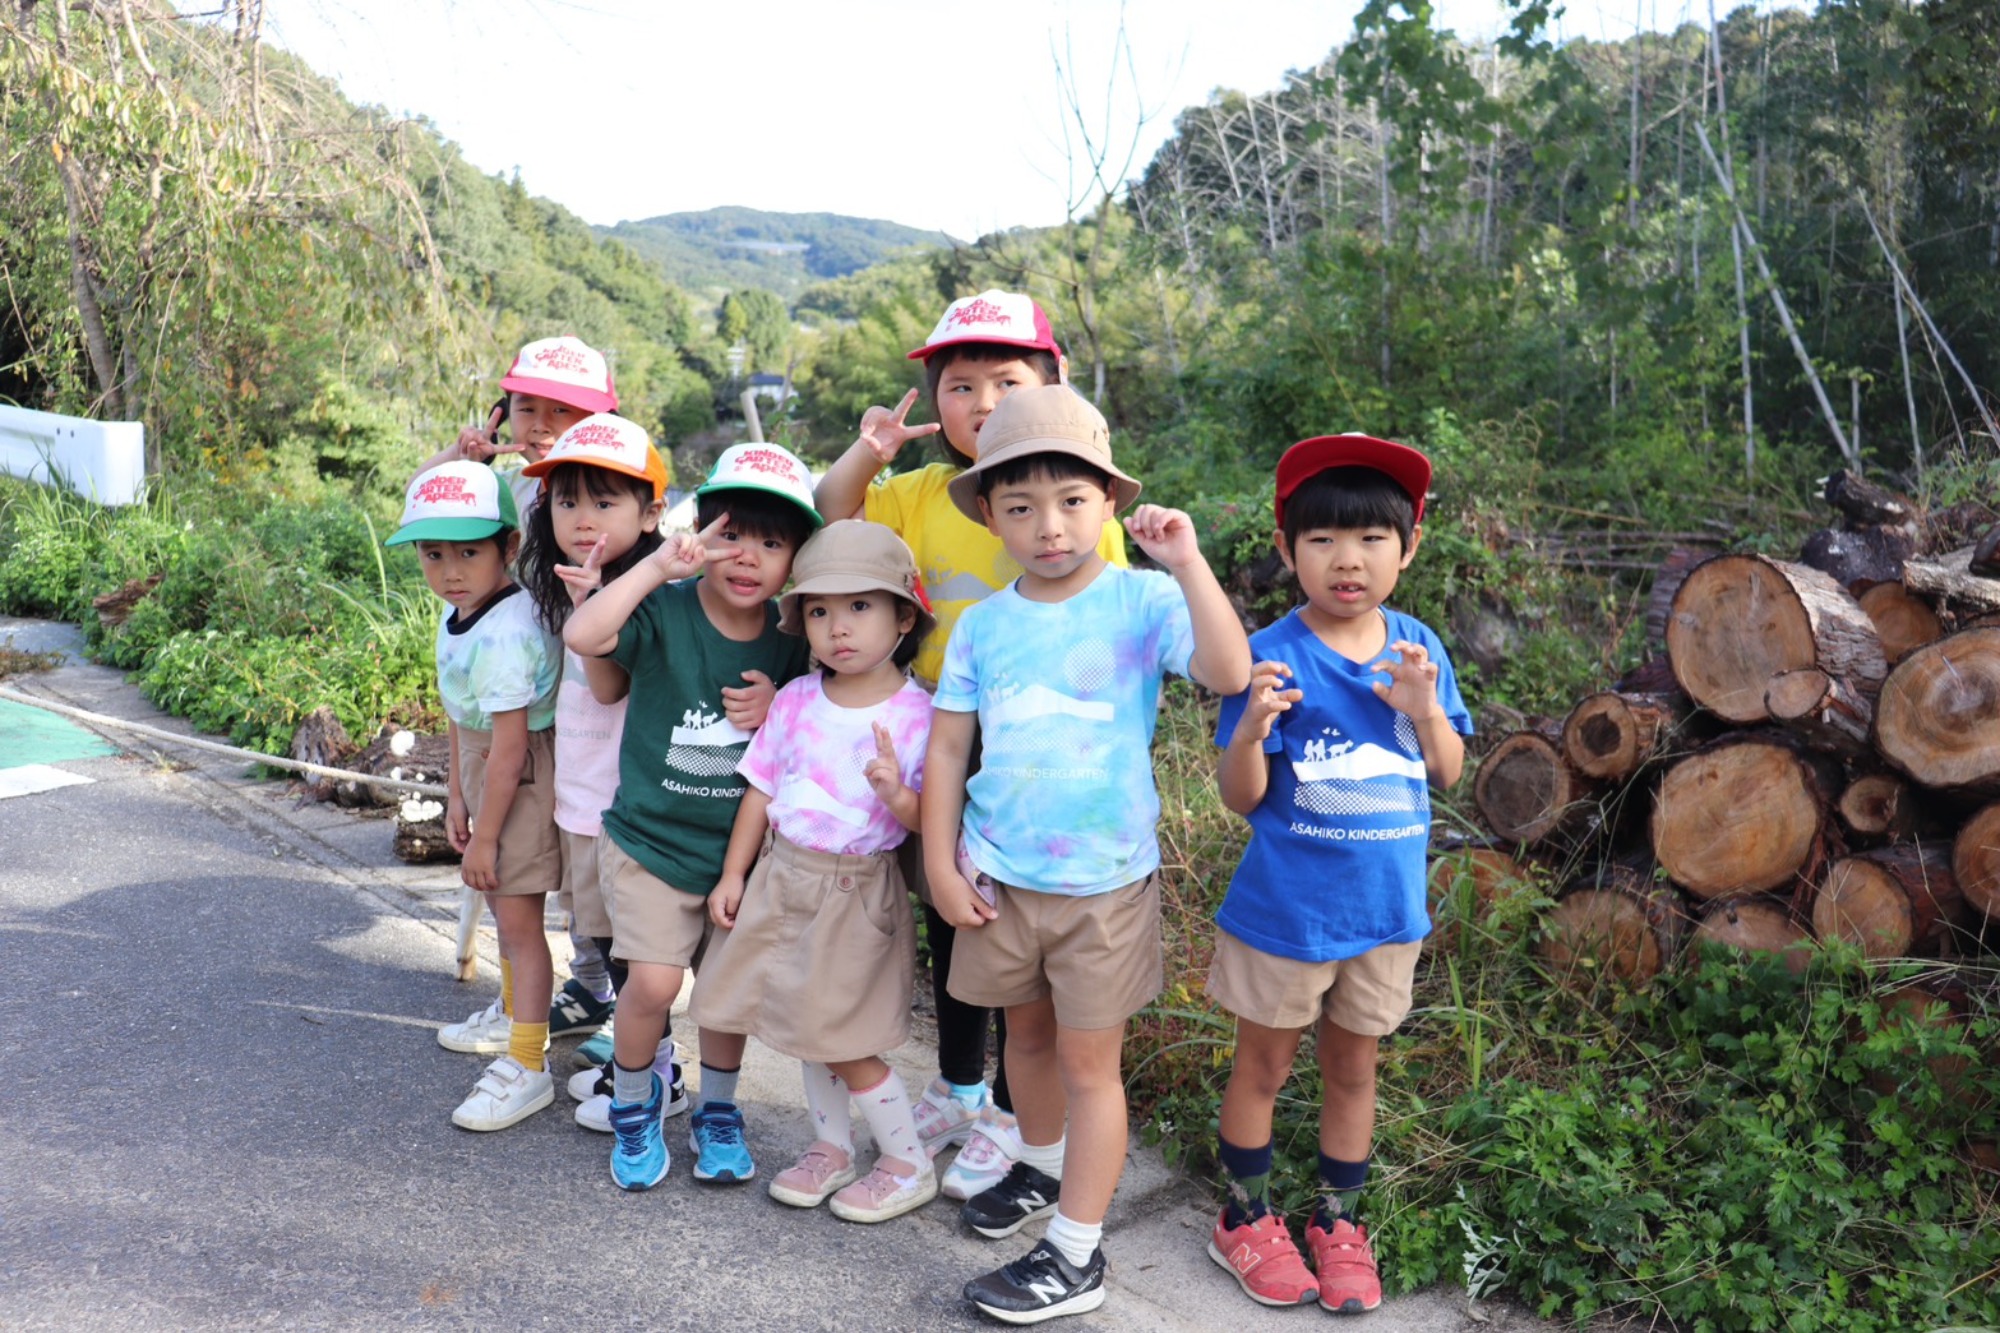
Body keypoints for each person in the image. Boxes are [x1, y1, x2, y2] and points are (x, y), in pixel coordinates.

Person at [921, 384, 1252, 1322]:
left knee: (1088, 1064)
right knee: (1022, 1038)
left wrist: (1187, 561)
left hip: (1102, 883)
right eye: (1021, 506)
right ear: (989, 515)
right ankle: (1042, 1165)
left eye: (1071, 501)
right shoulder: (984, 623)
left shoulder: (1142, 599)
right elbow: (948, 748)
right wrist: (940, 863)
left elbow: (1228, 671)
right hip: (998, 874)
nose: (1050, 526)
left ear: (1107, 501)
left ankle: (1076, 1253)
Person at [812, 290, 1130, 1202]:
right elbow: (834, 511)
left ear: (1052, 386)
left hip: (1037, 751)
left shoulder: (1078, 510)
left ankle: (1014, 1111)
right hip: (938, 737)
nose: (983, 402)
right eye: (960, 385)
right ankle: (958, 1088)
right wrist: (871, 451)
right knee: (950, 920)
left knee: (1018, 933)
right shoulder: (918, 494)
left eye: (1007, 381)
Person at [1203, 435, 1470, 1314]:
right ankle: (1244, 1215)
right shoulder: (1270, 654)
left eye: (1370, 539)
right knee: (1264, 1065)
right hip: (1286, 914)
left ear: (1408, 547)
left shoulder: (1417, 649)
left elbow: (1449, 771)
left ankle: (1338, 1220)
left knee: (1355, 1069)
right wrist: (1250, 731)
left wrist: (1424, 710)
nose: (1346, 559)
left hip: (1386, 916)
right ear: (1287, 551)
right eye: (1321, 539)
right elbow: (1242, 796)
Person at [563, 442, 819, 1192]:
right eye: (731, 534)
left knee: (724, 994)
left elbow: (830, 714)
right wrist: (655, 569)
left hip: (742, 853)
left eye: (772, 543)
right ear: (700, 532)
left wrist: (783, 702)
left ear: (795, 559)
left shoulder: (792, 639)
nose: (748, 557)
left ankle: (719, 1110)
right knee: (651, 983)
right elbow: (584, 637)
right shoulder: (666, 609)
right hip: (650, 842)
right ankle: (634, 1103)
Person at [691, 520, 941, 1224]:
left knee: (843, 1035)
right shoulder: (798, 697)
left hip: (854, 887)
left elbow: (930, 819)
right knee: (804, 1025)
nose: (839, 627)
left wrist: (895, 793)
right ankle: (832, 1146)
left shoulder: (919, 714)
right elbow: (760, 788)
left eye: (860, 606)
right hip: (782, 874)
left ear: (903, 617)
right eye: (821, 611)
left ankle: (906, 1160)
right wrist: (734, 874)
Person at [421, 335, 625, 1059]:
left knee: (595, 860)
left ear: (601, 420)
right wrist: (460, 457)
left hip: (599, 706)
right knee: (554, 863)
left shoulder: (612, 495)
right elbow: (426, 505)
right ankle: (570, 997)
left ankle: (623, 1012)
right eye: (528, 408)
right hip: (535, 702)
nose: (542, 425)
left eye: (564, 411)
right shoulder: (511, 488)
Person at [513, 413, 694, 1132]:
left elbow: (611, 687)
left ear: (651, 514)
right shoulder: (565, 581)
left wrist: (593, 603)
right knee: (602, 937)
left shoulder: (652, 590)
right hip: (585, 791)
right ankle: (638, 1060)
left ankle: (657, 1073)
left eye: (605, 501)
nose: (583, 518)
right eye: (567, 501)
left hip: (630, 803)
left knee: (631, 950)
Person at [386, 460, 563, 1131]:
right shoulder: (460, 610)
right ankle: (514, 1018)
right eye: (433, 554)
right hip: (483, 769)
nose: (450, 571)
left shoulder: (509, 630)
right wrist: (456, 795)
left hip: (518, 777)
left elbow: (512, 748)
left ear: (508, 547)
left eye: (468, 552)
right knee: (502, 911)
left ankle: (529, 1062)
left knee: (519, 925)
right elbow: (461, 712)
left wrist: (486, 834)